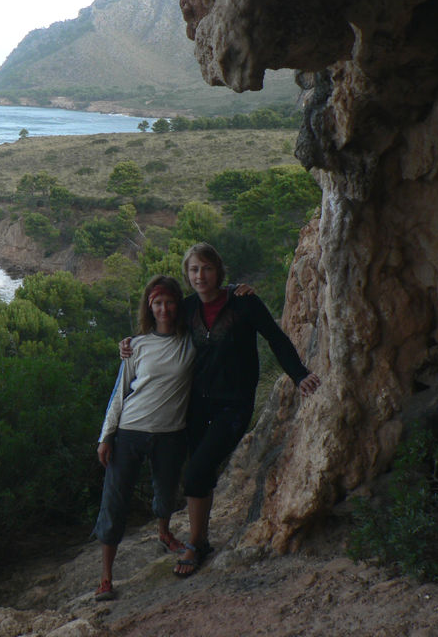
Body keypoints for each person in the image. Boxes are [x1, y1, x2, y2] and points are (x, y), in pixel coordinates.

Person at [121, 242, 321, 577]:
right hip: (197, 403)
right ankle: (202, 540)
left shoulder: (243, 302)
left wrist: (299, 374)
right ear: (187, 274)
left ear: (219, 271)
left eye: (207, 268)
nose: (200, 276)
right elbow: (159, 333)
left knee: (197, 471)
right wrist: (130, 343)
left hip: (235, 404)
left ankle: (196, 543)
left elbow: (276, 338)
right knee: (203, 472)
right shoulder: (186, 308)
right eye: (194, 270)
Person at [92, 275, 193, 602]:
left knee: (166, 490)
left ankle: (164, 533)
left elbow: (214, 305)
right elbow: (120, 393)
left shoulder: (191, 342)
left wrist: (237, 291)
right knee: (115, 500)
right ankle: (106, 577)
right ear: (149, 307)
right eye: (157, 303)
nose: (164, 308)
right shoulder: (136, 345)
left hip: (170, 433)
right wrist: (106, 436)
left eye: (169, 301)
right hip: (130, 431)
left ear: (178, 304)